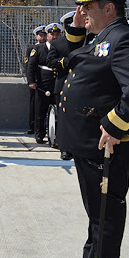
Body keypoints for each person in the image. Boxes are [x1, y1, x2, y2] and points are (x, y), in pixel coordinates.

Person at [58, 0, 129, 258]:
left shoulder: (124, 38)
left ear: (109, 7)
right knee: (96, 213)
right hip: (89, 146)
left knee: (106, 215)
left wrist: (115, 123)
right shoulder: (102, 37)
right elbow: (65, 61)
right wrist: (75, 30)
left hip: (109, 147)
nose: (83, 12)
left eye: (88, 6)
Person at [47, 12, 77, 160]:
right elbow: (50, 62)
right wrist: (66, 61)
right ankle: (64, 148)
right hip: (63, 85)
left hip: (82, 86)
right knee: (63, 119)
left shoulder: (89, 41)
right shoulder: (58, 43)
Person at [27, 23, 62, 144]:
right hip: (43, 83)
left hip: (58, 82)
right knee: (40, 110)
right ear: (47, 35)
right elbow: (31, 66)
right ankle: (39, 134)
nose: (55, 37)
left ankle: (56, 136)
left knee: (58, 110)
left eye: (57, 34)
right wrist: (31, 81)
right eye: (52, 34)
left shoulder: (61, 48)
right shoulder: (38, 49)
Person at [24, 25, 47, 135]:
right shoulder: (32, 48)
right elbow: (28, 65)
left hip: (45, 80)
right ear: (36, 36)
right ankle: (32, 126)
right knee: (34, 103)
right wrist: (30, 80)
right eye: (40, 36)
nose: (43, 38)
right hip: (35, 79)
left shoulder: (49, 47)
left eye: (44, 35)